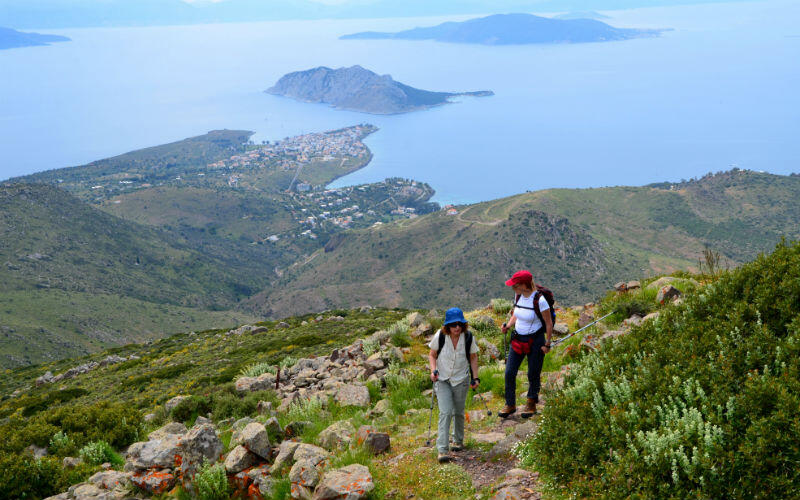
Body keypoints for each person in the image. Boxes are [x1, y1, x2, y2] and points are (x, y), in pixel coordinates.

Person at [428, 307, 480, 463]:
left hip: (461, 379)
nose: (457, 327)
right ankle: (442, 450)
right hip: (442, 379)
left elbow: (473, 357)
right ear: (447, 326)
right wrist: (433, 370)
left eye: (459, 324)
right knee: (445, 412)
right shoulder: (440, 336)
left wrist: (475, 378)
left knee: (458, 411)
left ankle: (457, 441)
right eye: (453, 324)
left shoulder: (468, 337)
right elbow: (432, 354)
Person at [499, 270, 553, 419]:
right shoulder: (518, 295)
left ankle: (531, 402)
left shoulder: (539, 300)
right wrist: (508, 326)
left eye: (515, 285)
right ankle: (510, 404)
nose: (513, 288)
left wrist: (547, 343)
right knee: (509, 372)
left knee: (533, 373)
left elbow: (548, 323)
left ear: (523, 285)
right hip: (518, 338)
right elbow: (516, 313)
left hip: (536, 340)